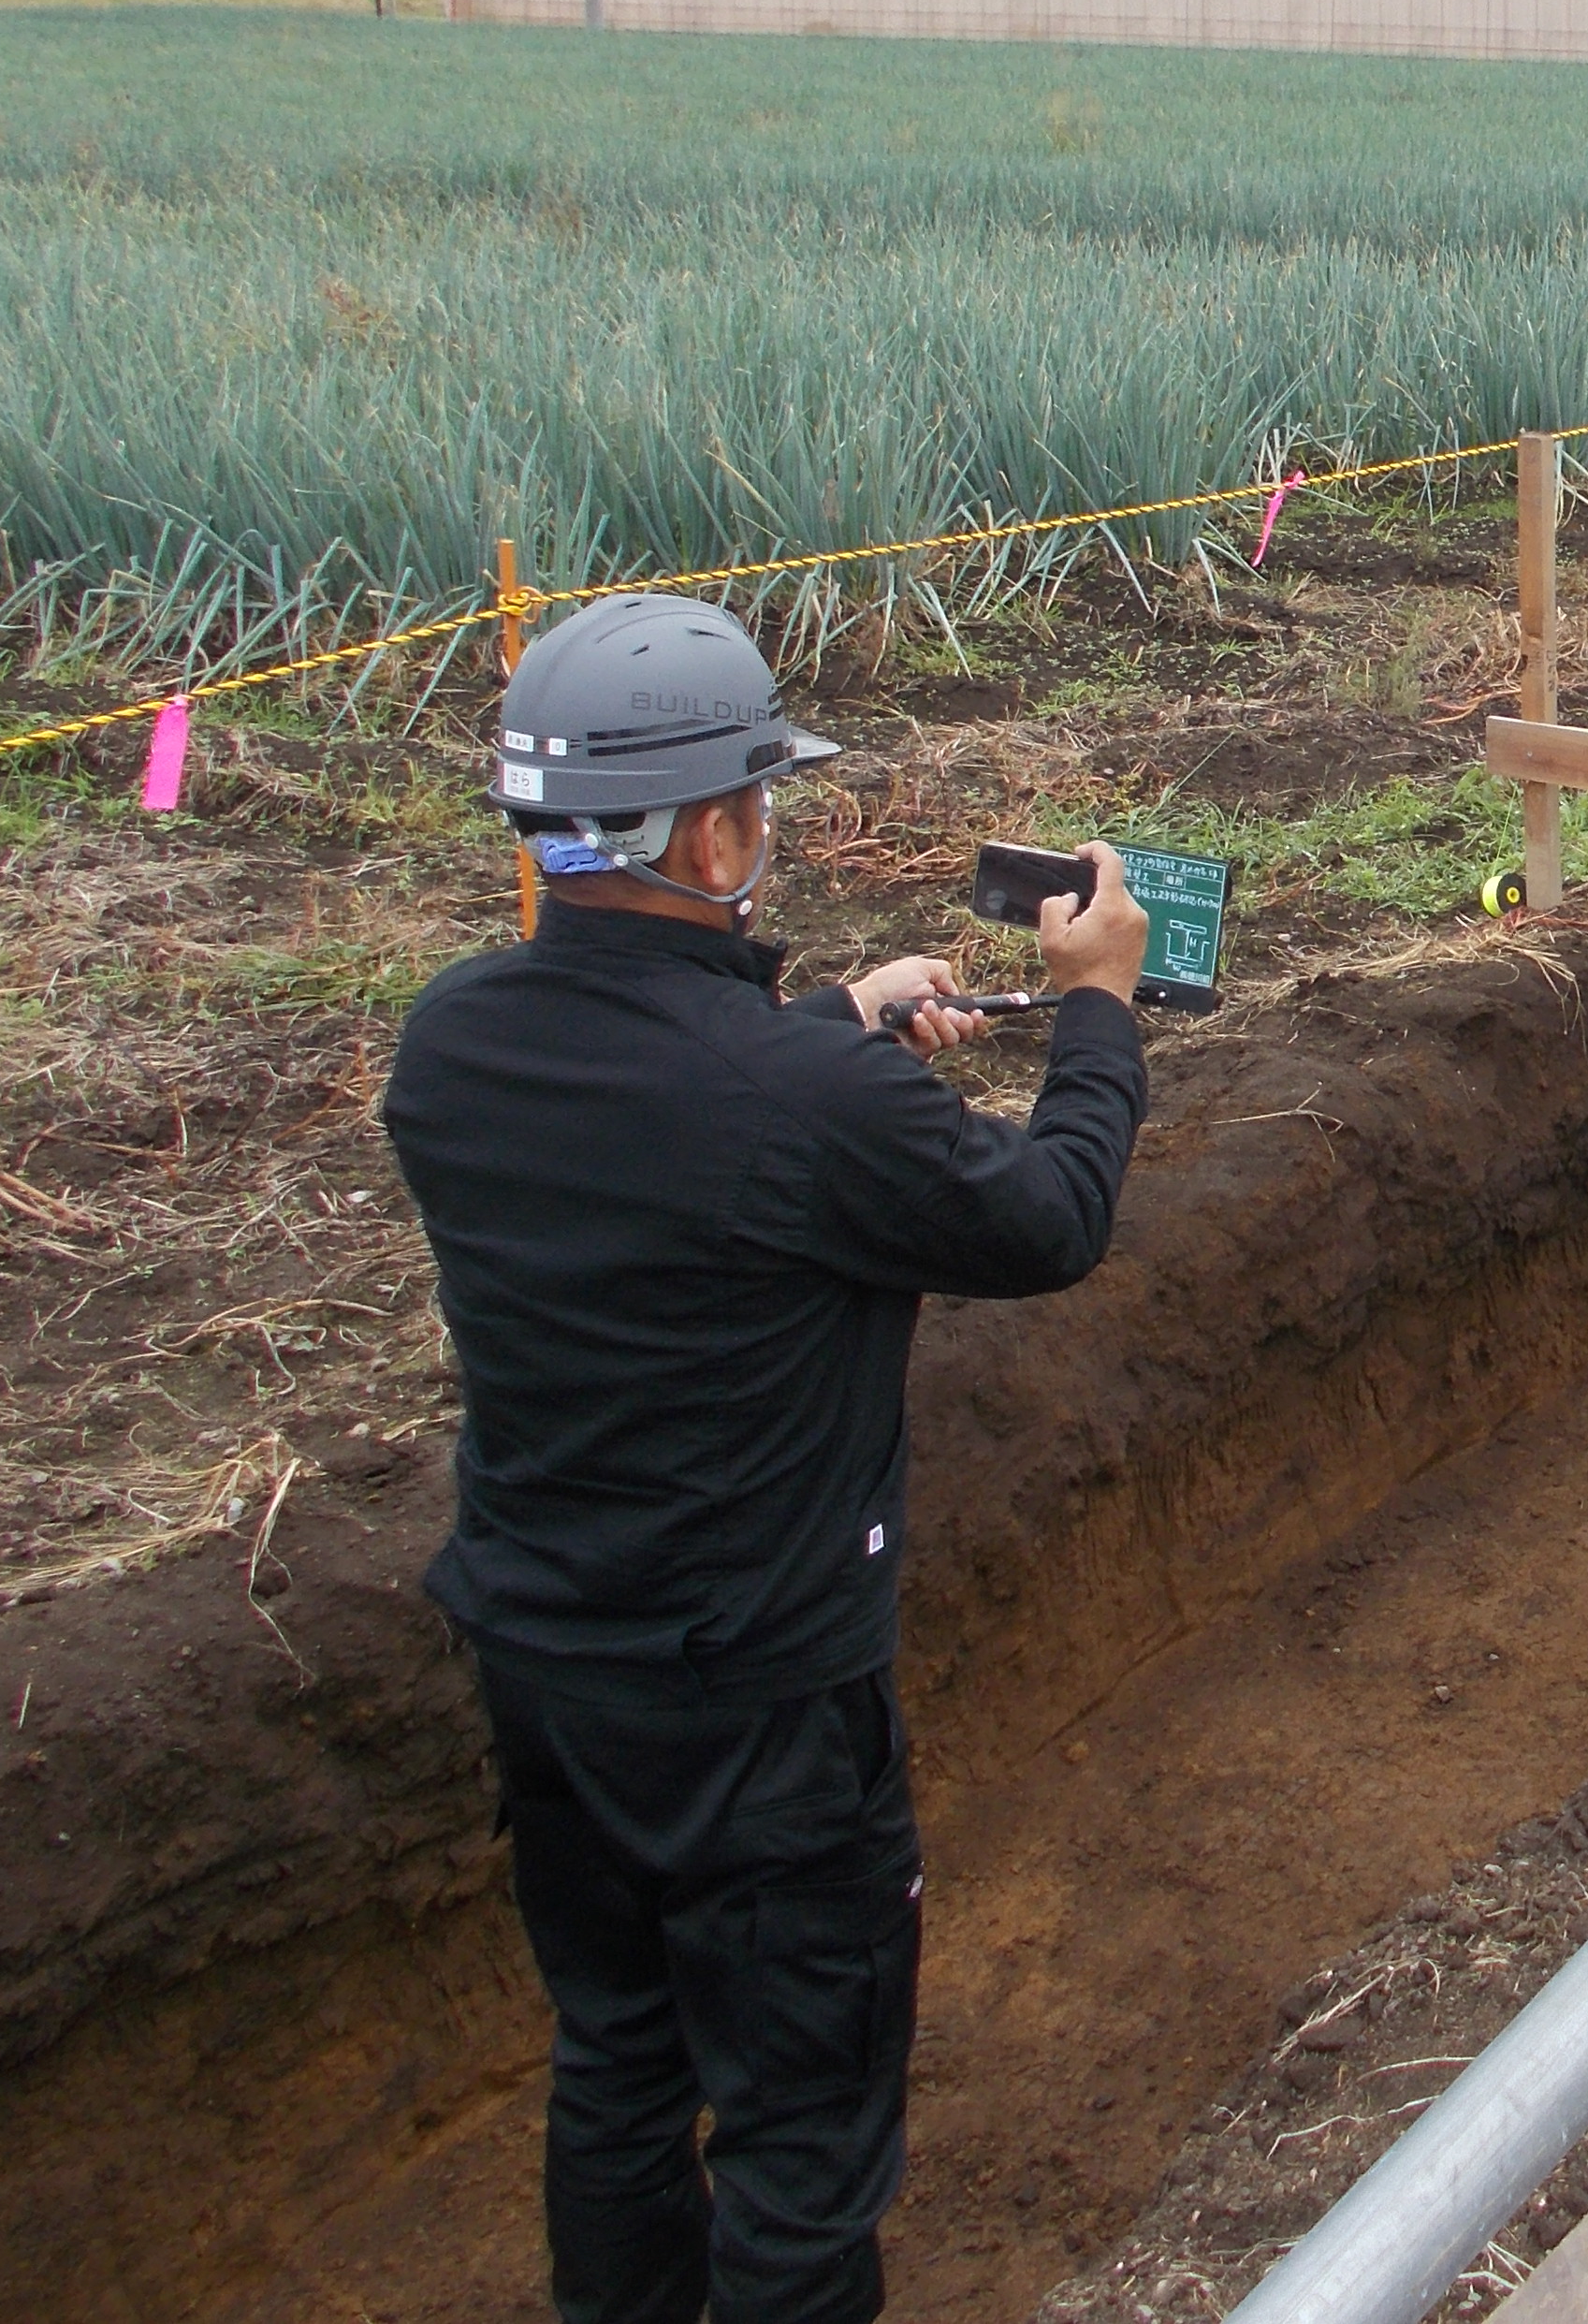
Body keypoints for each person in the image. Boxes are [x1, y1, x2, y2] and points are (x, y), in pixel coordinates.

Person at [382, 591, 1150, 2324]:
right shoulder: (802, 1108)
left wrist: (825, 1017)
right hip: (763, 1711)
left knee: (621, 2058)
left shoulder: (453, 1047)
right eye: (763, 800)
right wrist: (1095, 1010)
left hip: (550, 1667)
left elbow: (668, 1097)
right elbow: (1043, 1221)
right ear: (720, 826)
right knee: (802, 2141)